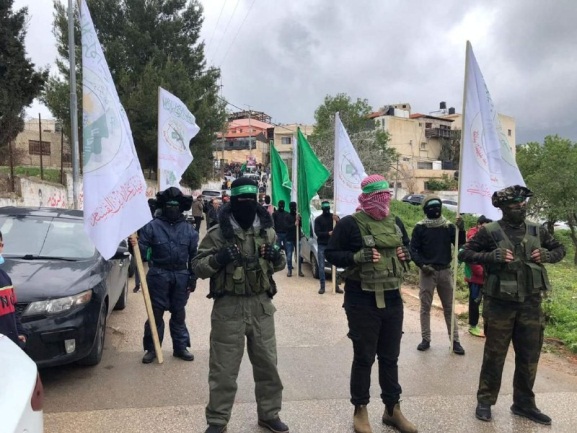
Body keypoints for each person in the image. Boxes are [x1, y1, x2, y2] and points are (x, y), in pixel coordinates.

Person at [458, 185, 565, 425]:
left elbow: (561, 249)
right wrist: (490, 256)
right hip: (499, 306)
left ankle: (524, 404)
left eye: (523, 203)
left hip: (531, 304)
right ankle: (485, 401)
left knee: (529, 355)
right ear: (504, 207)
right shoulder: (489, 232)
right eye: (516, 204)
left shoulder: (537, 230)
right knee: (494, 355)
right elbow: (464, 253)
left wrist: (547, 256)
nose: (521, 207)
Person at [192, 177, 288, 433]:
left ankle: (269, 414)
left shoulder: (267, 231)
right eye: (241, 200)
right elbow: (197, 267)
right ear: (232, 201)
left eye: (251, 199)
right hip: (228, 309)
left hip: (261, 306)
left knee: (268, 365)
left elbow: (280, 264)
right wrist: (219, 259)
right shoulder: (216, 234)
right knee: (223, 370)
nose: (246, 204)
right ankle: (217, 421)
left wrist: (276, 256)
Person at [325, 175, 416, 433]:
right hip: (361, 300)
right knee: (364, 357)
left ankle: (392, 409)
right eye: (378, 198)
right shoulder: (349, 224)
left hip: (392, 299)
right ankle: (360, 409)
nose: (383, 203)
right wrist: (356, 256)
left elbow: (408, 248)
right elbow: (331, 254)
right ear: (366, 198)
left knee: (390, 357)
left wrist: (405, 253)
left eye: (386, 197)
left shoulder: (396, 223)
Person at [131, 187, 199, 364]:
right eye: (169, 205)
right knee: (155, 314)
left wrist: (193, 278)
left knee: (178, 314)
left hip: (180, 275)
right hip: (158, 275)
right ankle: (152, 349)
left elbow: (194, 256)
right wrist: (135, 245)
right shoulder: (152, 226)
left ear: (181, 207)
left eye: (175, 205)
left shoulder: (189, 230)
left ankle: (181, 347)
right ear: (163, 205)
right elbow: (143, 251)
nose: (172, 208)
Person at [410, 194, 466, 355]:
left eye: (438, 206)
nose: (435, 209)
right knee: (425, 307)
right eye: (432, 206)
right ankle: (426, 339)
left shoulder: (447, 226)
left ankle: (455, 341)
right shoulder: (420, 227)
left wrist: (461, 229)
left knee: (449, 307)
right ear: (426, 209)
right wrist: (422, 265)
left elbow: (459, 243)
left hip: (445, 271)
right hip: (428, 272)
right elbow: (413, 249)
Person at [464, 215, 493, 337]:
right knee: (475, 302)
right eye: (484, 224)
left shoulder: (491, 235)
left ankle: (488, 328)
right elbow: (470, 258)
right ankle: (473, 326)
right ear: (479, 224)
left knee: (489, 304)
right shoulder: (473, 237)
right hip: (476, 277)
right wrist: (481, 272)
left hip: (489, 277)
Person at [0, 230, 28, 348]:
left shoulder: (4, 277)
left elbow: (12, 309)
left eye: (0, 245)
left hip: (10, 346)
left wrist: (20, 331)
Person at [314, 201, 342, 294]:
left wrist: (337, 220)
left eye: (327, 208)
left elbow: (341, 227)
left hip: (332, 245)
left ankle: (336, 285)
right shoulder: (318, 219)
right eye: (325, 208)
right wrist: (328, 233)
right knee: (321, 267)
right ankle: (322, 287)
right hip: (322, 245)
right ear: (322, 208)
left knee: (335, 266)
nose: (327, 210)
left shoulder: (333, 218)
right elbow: (317, 233)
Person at [286, 201, 304, 277]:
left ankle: (299, 271)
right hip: (289, 239)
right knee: (289, 256)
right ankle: (289, 270)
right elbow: (286, 227)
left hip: (297, 238)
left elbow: (301, 225)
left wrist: (299, 220)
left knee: (299, 256)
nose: (294, 209)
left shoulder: (298, 216)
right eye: (293, 207)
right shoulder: (287, 216)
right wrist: (294, 224)